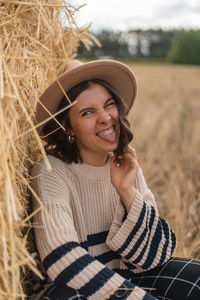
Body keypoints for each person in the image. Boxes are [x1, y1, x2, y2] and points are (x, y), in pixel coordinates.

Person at [30, 60, 200, 300]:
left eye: (108, 105)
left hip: (127, 275)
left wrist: (127, 190)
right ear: (67, 125)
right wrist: (137, 297)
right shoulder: (51, 171)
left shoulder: (125, 164)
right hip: (76, 287)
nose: (104, 118)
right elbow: (62, 259)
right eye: (87, 112)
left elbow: (156, 254)